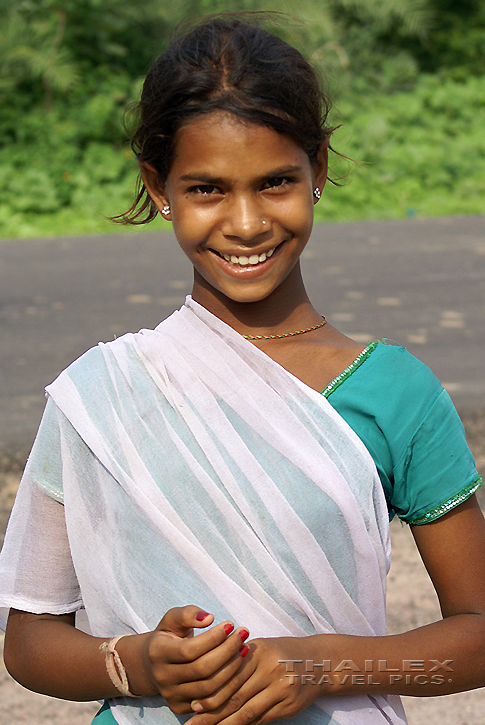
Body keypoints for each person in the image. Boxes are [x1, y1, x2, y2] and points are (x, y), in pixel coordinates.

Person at [1, 14, 485, 725]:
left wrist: (324, 662)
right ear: (157, 185)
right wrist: (139, 660)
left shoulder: (395, 395)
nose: (247, 222)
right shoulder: (100, 395)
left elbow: (475, 632)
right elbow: (31, 640)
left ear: (317, 169)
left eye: (275, 182)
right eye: (206, 190)